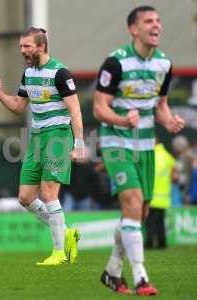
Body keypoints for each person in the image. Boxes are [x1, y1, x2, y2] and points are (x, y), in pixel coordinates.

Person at [93, 6, 185, 296]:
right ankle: (142, 277)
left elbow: (160, 106)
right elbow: (99, 107)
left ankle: (111, 271)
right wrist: (122, 119)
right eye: (148, 21)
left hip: (145, 145)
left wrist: (168, 120)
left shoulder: (164, 65)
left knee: (140, 213)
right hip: (116, 142)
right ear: (134, 29)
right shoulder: (115, 63)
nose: (156, 25)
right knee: (132, 202)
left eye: (158, 20)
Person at [0, 27, 85, 265]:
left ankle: (59, 253)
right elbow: (19, 107)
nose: (23, 50)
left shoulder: (60, 73)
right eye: (21, 46)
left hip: (58, 137)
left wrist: (79, 143)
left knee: (49, 193)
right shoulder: (28, 73)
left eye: (27, 46)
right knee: (25, 197)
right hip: (37, 138)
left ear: (41, 46)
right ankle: (66, 233)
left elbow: (75, 110)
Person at [145, 142, 176, 249]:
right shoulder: (167, 156)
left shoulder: (150, 155)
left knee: (150, 222)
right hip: (164, 196)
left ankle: (149, 243)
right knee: (161, 222)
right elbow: (173, 173)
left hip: (151, 194)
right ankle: (162, 244)